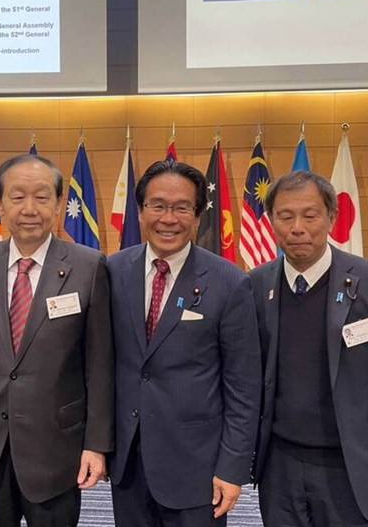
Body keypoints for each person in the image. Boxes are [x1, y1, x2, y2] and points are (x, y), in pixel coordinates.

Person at [251, 171, 368, 527]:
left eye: (310, 215)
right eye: (285, 216)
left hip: (355, 465)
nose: (297, 227)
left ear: (332, 217)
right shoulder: (255, 286)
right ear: (271, 222)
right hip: (280, 466)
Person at [0, 154, 113, 527]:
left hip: (56, 450)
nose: (30, 209)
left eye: (43, 197)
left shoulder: (89, 266)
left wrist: (96, 444)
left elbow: (100, 364)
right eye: (17, 196)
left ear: (60, 203)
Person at [108, 158, 261, 527]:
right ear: (141, 210)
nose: (168, 218)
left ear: (198, 216)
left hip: (197, 466)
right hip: (128, 460)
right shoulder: (112, 271)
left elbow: (243, 386)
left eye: (182, 208)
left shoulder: (229, 282)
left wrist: (232, 467)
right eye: (158, 205)